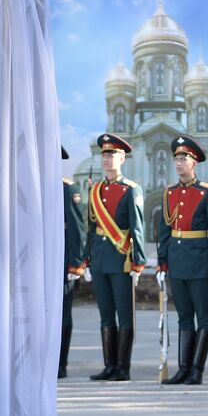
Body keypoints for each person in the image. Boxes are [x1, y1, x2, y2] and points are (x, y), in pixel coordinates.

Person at [156, 136, 208, 385]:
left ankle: (197, 369)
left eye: (183, 158)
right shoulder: (170, 193)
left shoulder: (207, 192)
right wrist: (162, 262)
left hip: (199, 261)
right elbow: (165, 230)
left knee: (203, 317)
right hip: (177, 261)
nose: (178, 162)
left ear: (194, 162)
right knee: (184, 316)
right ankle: (183, 368)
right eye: (176, 158)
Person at [84, 133, 145, 381]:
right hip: (99, 259)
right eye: (104, 155)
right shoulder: (95, 189)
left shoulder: (131, 190)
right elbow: (90, 227)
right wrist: (87, 259)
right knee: (106, 314)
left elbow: (137, 227)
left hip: (122, 260)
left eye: (112, 155)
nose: (107, 159)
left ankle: (123, 367)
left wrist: (138, 262)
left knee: (124, 315)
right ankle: (109, 366)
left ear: (122, 158)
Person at [60, 146, 86, 379]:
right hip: (35, 262)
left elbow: (77, 228)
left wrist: (76, 265)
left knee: (62, 313)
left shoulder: (68, 189)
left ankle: (60, 363)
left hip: (61, 260)